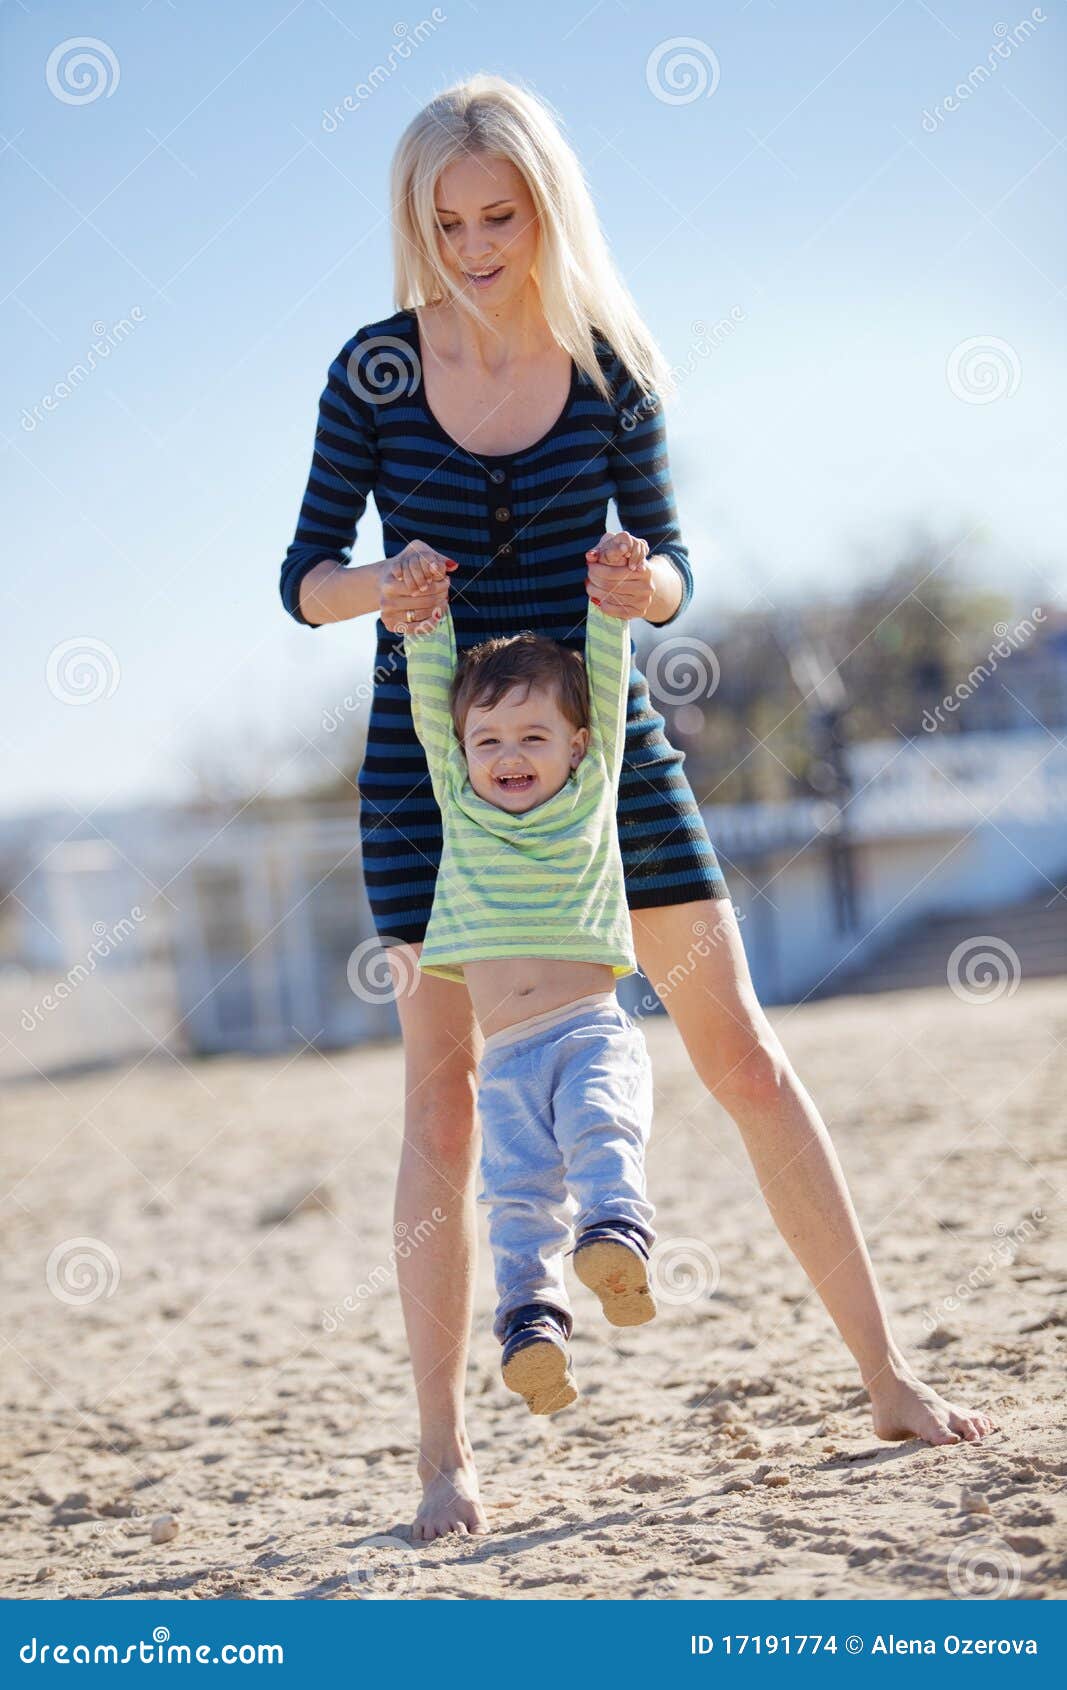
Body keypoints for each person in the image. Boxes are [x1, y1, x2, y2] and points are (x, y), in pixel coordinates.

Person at [279, 73, 992, 1542]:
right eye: (446, 219)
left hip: (611, 771)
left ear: (543, 205)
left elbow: (668, 562)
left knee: (737, 1053)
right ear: (414, 222)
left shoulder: (611, 365)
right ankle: (441, 1458)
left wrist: (638, 585)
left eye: (499, 212)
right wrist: (380, 581)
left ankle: (885, 1375)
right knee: (441, 1096)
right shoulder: (371, 370)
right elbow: (301, 578)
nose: (473, 243)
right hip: (428, 785)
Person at [402, 569, 660, 1415]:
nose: (508, 755)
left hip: (590, 1031)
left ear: (578, 746)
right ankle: (531, 1324)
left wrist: (608, 598)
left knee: (599, 1130)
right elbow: (431, 688)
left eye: (533, 737)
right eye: (488, 741)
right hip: (504, 1056)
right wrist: (424, 614)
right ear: (461, 750)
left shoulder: (592, 791)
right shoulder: (459, 801)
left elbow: (609, 663)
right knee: (514, 1195)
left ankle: (615, 1236)